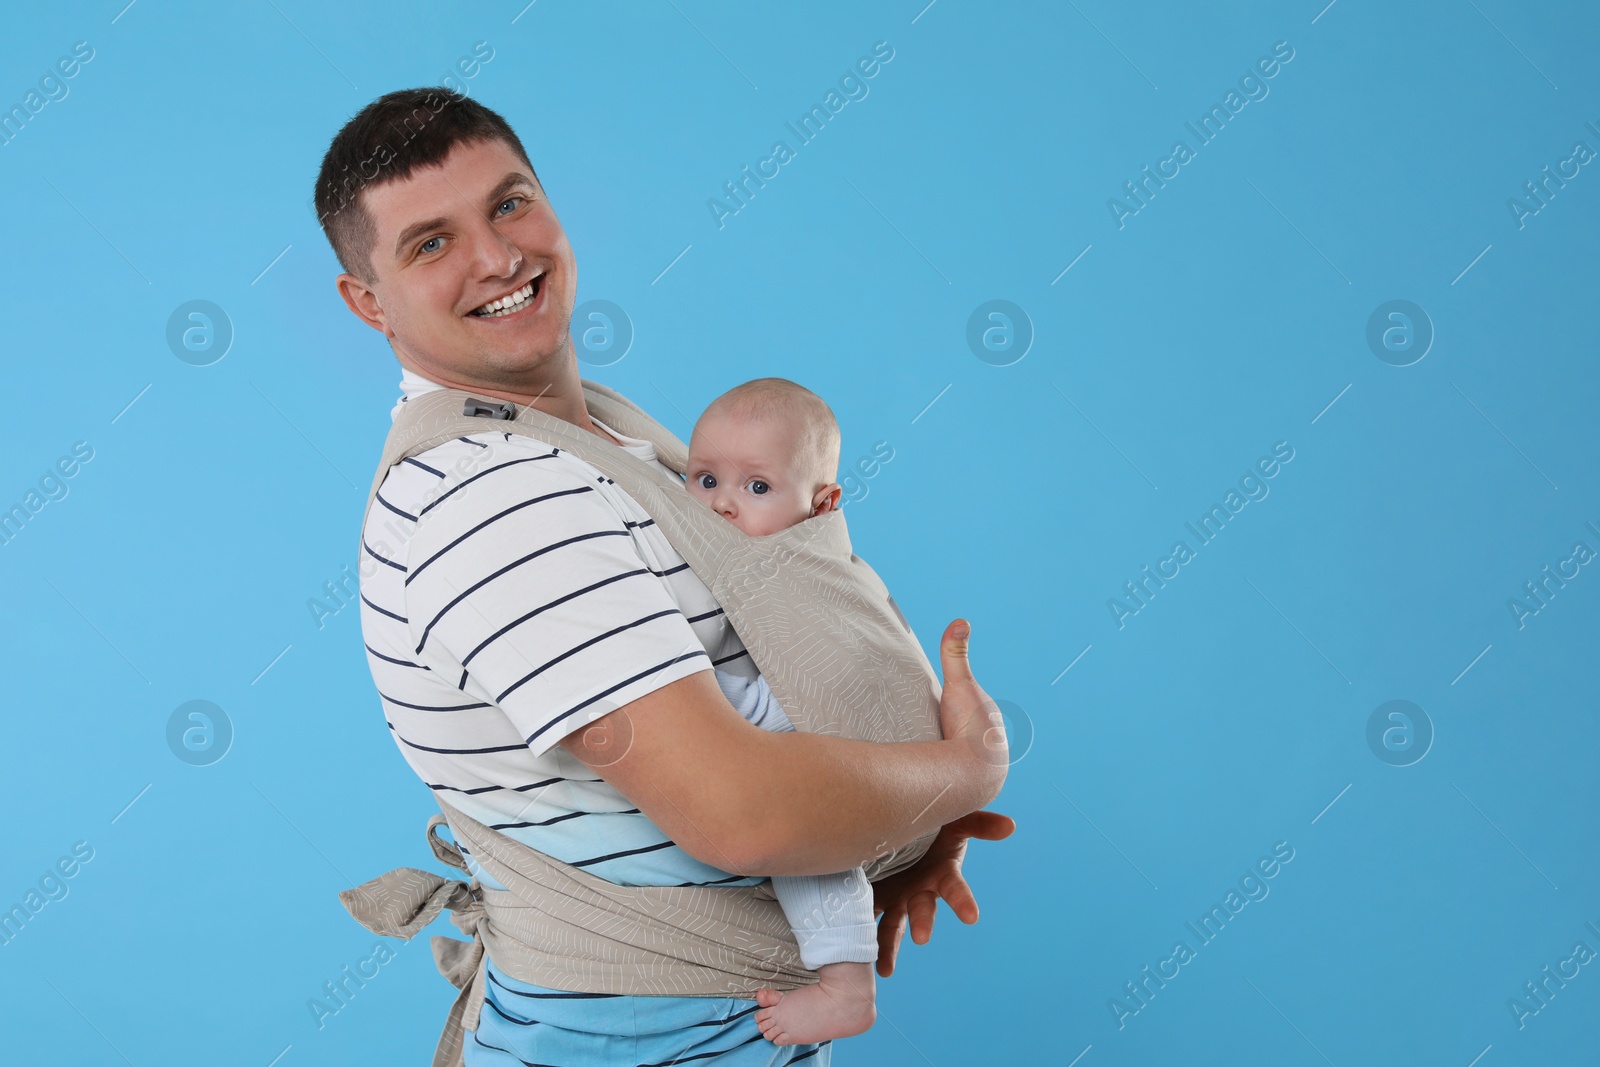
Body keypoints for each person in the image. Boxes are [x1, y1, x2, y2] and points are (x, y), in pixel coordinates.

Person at [317, 86, 1015, 1065]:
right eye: (430, 243)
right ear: (367, 301)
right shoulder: (492, 493)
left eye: (510, 203)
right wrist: (962, 772)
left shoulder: (600, 432)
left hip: (704, 1023)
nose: (497, 257)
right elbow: (746, 813)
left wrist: (885, 831)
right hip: (631, 1035)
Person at [685, 377, 877, 1046]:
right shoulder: (726, 557)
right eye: (704, 479)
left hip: (813, 738)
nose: (722, 505)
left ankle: (849, 986)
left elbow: (800, 695)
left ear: (821, 505)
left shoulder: (804, 572)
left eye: (756, 487)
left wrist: (690, 683)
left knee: (813, 854)